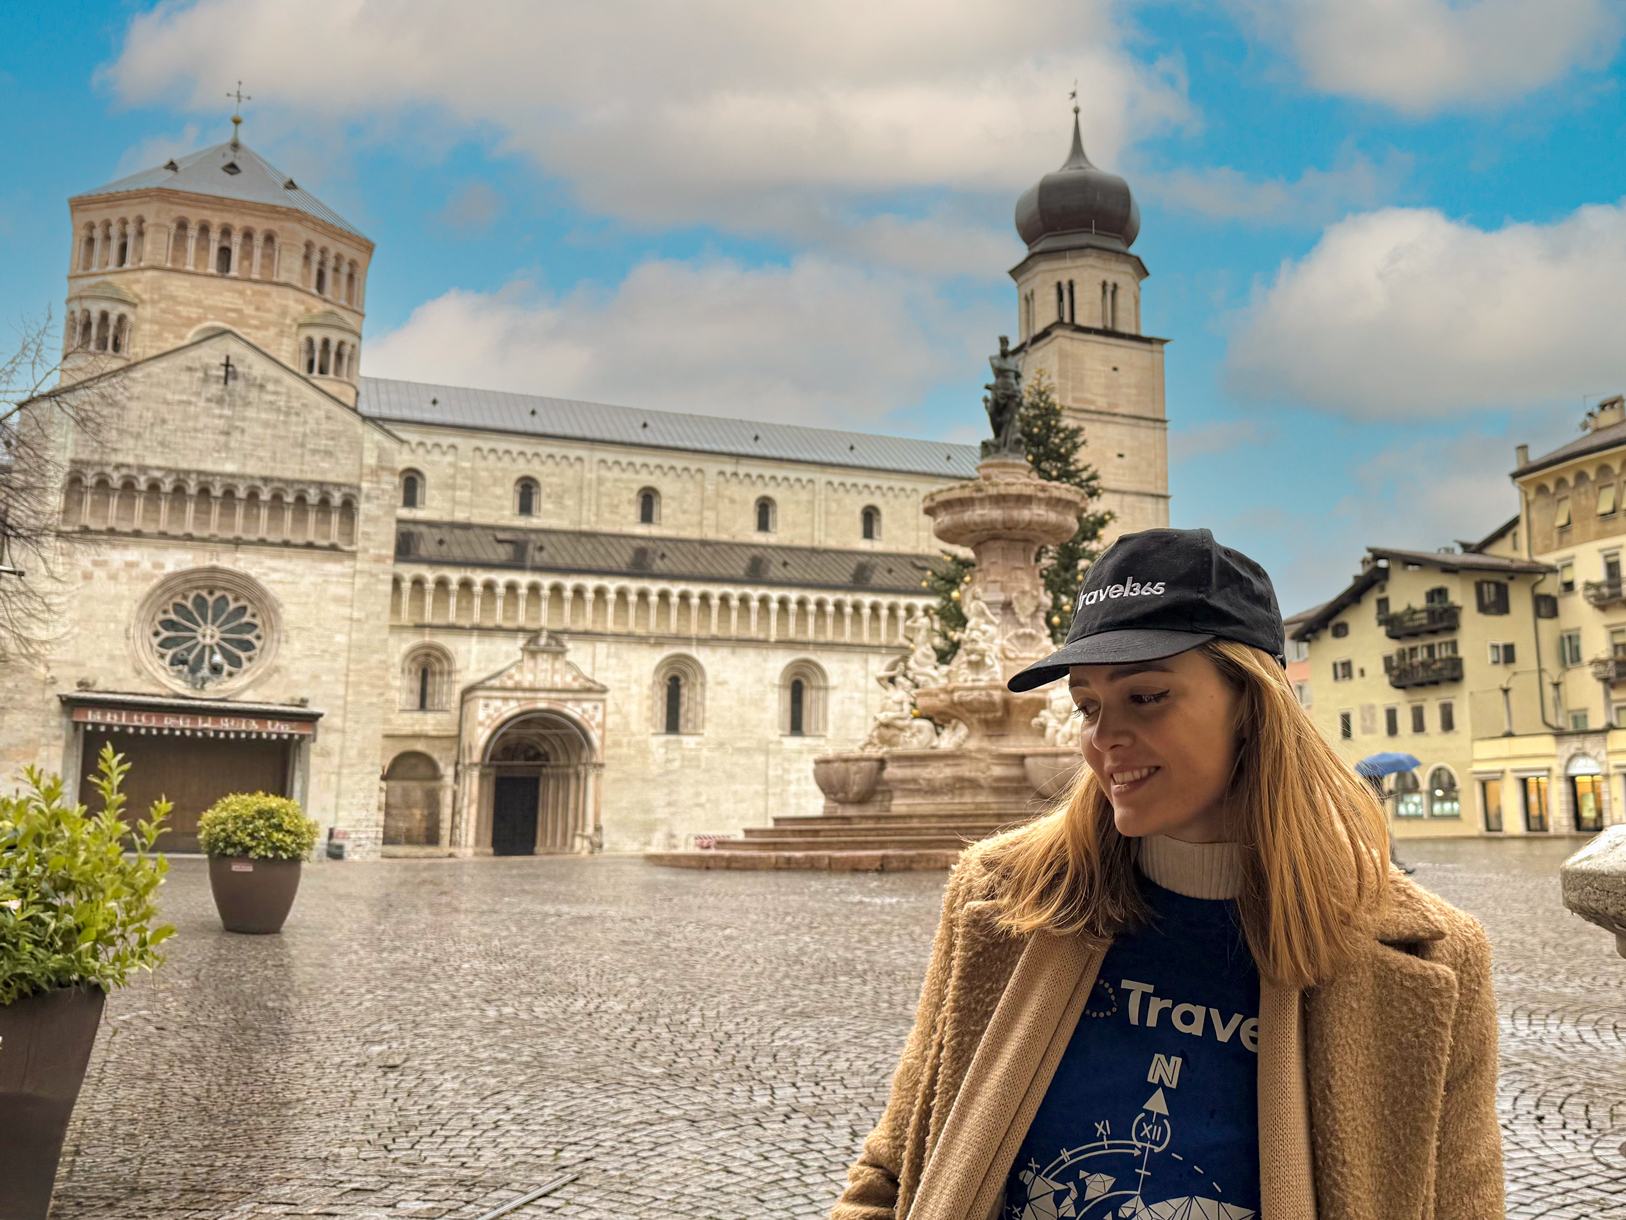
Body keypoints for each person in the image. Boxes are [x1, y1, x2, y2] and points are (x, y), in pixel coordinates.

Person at [830, 528, 1502, 1220]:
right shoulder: (1002, 897)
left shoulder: (1432, 956)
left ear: (1251, 703)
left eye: (1146, 696)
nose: (1102, 738)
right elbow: (892, 1171)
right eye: (1088, 705)